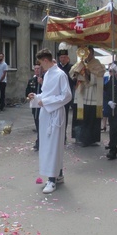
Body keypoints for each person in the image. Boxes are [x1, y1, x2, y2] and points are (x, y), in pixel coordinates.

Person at [28, 49, 72, 194]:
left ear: (45, 60)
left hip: (55, 114)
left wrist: (45, 101)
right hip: (46, 113)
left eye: (40, 63)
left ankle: (51, 180)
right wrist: (35, 97)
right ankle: (58, 174)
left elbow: (66, 96)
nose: (40, 66)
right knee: (48, 145)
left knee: (53, 146)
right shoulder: (47, 75)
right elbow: (46, 94)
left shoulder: (60, 74)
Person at [69, 46, 106, 146]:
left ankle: (89, 139)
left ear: (93, 53)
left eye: (89, 53)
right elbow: (71, 74)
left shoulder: (97, 63)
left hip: (91, 95)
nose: (87, 55)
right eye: (85, 53)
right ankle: (78, 137)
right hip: (80, 94)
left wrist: (89, 72)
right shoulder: (80, 62)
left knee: (90, 118)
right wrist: (78, 70)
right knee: (80, 117)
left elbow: (99, 77)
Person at [57, 43, 76, 144]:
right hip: (57, 95)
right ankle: (58, 135)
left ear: (67, 58)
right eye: (61, 57)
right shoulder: (56, 68)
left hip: (67, 96)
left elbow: (73, 82)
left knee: (64, 116)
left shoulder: (71, 68)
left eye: (64, 57)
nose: (63, 59)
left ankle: (63, 136)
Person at [25, 63, 43, 150]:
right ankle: (39, 141)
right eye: (35, 69)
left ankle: (39, 142)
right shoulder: (31, 80)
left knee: (42, 125)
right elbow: (27, 93)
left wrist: (42, 83)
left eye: (38, 68)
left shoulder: (44, 79)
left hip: (43, 106)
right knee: (37, 124)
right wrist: (29, 96)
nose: (36, 70)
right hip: (35, 106)